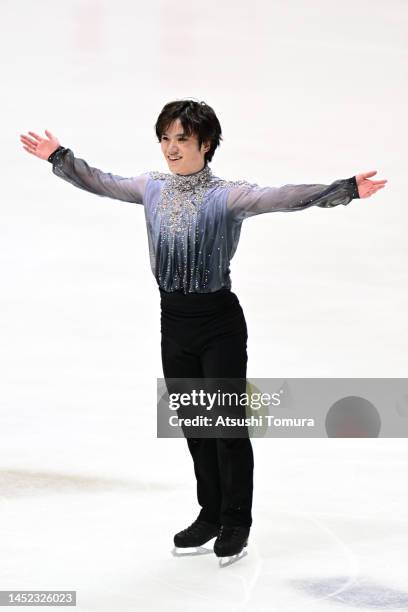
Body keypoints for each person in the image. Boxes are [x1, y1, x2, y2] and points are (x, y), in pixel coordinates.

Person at [19, 99, 387, 562]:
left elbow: (282, 196)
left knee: (227, 427)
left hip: (219, 326)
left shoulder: (227, 195)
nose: (170, 149)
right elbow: (102, 182)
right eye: (165, 138)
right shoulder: (151, 187)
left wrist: (345, 189)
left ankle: (236, 522)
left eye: (181, 139)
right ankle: (210, 515)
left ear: (205, 144)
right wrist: (60, 157)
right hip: (173, 325)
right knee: (196, 425)